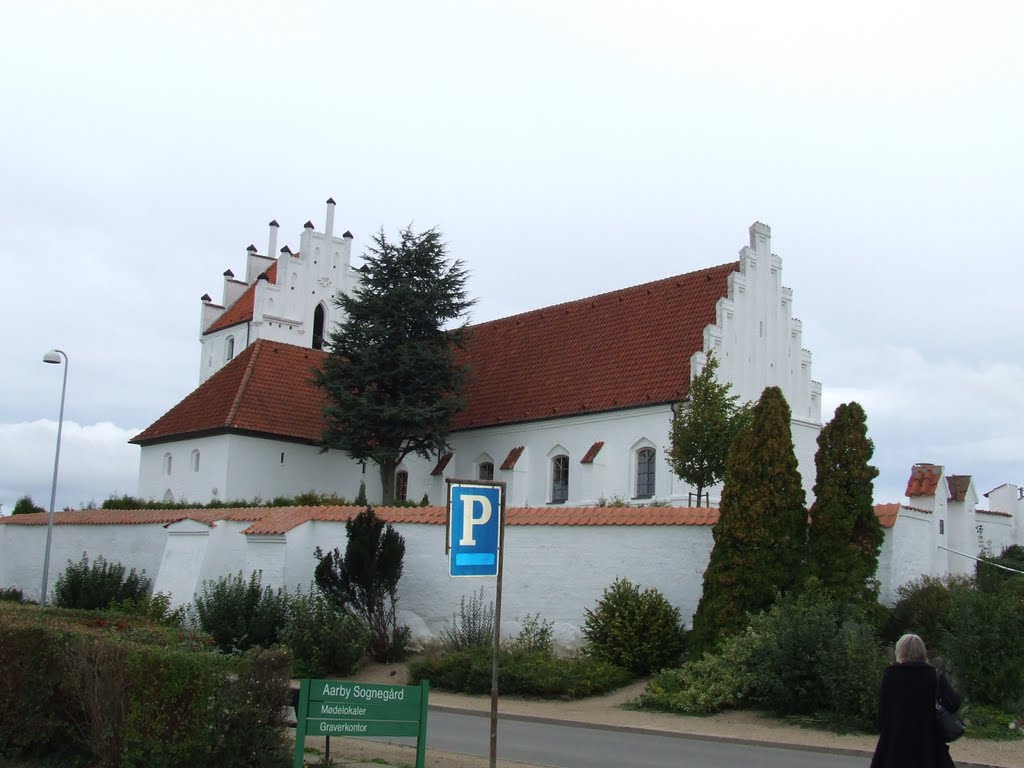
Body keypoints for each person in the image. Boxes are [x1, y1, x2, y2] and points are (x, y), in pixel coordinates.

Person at [870, 633, 962, 768]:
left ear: (899, 651)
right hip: (928, 746)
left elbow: (882, 716)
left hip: (896, 746)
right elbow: (954, 704)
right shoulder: (934, 676)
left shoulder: (890, 675)